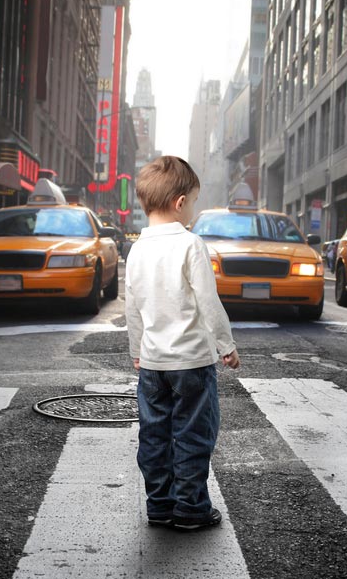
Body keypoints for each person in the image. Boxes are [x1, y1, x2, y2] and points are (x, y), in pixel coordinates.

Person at [124, 155, 240, 532]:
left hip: (153, 364)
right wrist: (225, 344)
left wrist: (137, 351)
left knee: (154, 436)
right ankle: (191, 509)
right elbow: (208, 301)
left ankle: (159, 505)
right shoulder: (191, 244)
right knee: (192, 435)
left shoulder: (138, 249)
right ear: (179, 203)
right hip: (191, 362)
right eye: (192, 200)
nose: (193, 208)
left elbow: (133, 306)